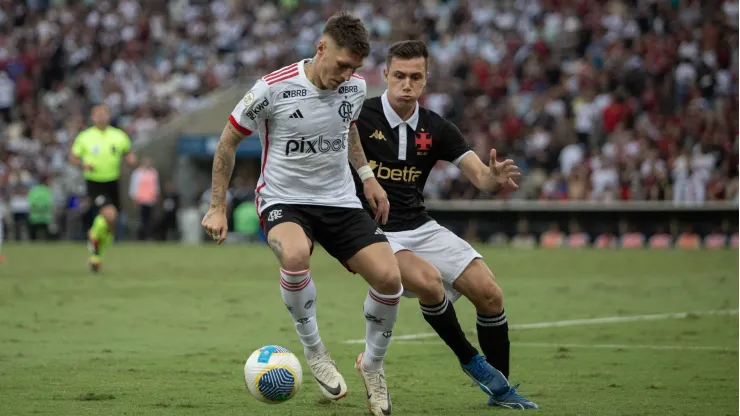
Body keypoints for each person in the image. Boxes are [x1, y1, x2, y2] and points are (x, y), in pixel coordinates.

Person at [200, 13, 402, 416]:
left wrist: (367, 178)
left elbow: (349, 129)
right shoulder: (271, 89)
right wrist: (217, 207)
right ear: (320, 48)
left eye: (355, 69)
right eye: (342, 65)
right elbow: (226, 143)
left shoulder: (355, 88)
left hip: (340, 200)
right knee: (294, 256)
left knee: (390, 278)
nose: (347, 75)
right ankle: (314, 350)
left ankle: (373, 366)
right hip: (283, 199)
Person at [353, 40, 538, 409]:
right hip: (370, 231)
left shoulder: (436, 127)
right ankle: (471, 360)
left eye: (416, 77)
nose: (407, 84)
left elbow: (481, 179)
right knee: (428, 282)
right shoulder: (359, 116)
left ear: (426, 80)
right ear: (385, 75)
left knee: (489, 293)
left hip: (419, 225)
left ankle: (499, 389)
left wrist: (493, 178)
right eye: (400, 76)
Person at [70, 105, 137, 272]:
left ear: (109, 116)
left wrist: (131, 160)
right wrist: (83, 165)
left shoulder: (118, 135)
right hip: (95, 183)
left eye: (104, 114)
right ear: (92, 117)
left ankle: (96, 257)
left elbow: (127, 153)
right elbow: (73, 158)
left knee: (112, 224)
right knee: (109, 214)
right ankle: (94, 233)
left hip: (113, 182)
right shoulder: (85, 137)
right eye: (97, 114)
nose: (101, 117)